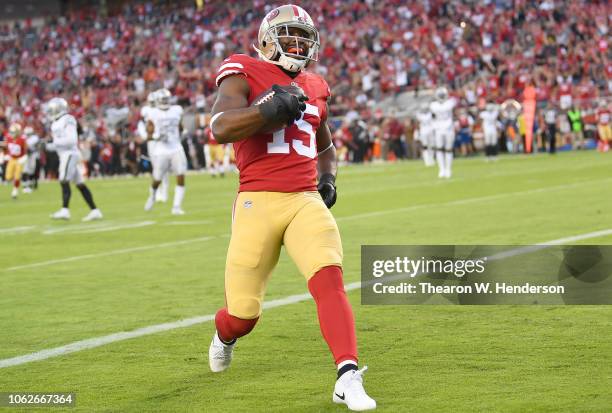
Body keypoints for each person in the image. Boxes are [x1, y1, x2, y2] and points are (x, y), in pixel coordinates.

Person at [207, 5, 376, 411]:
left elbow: (325, 142)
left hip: (304, 199)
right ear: (267, 38)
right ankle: (224, 334)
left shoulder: (315, 84)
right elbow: (219, 127)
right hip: (256, 201)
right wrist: (264, 110)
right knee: (243, 315)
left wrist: (328, 178)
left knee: (329, 278)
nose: (298, 44)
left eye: (304, 37)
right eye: (290, 35)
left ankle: (347, 375)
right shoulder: (243, 68)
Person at [46, 97, 102, 221]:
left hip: (69, 153)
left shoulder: (67, 119)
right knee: (80, 184)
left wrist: (53, 144)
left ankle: (65, 210)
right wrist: (48, 145)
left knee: (64, 180)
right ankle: (95, 210)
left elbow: (72, 140)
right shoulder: (56, 122)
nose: (49, 113)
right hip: (65, 154)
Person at [144, 89, 187, 215]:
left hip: (176, 148)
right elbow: (149, 135)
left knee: (181, 176)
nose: (165, 102)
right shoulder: (153, 113)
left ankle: (176, 206)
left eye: (166, 99)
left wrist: (182, 133)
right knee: (157, 178)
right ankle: (152, 197)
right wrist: (157, 136)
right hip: (161, 150)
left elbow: (180, 127)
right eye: (163, 100)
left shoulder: (177, 110)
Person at [430, 86, 456, 178]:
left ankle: (448, 169)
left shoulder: (448, 103)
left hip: (448, 128)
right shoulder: (435, 105)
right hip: (439, 129)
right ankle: (442, 169)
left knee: (448, 149)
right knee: (440, 149)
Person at [2, 123, 27, 198]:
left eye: (13, 132)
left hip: (19, 159)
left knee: (17, 176)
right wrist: (5, 155)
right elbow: (5, 147)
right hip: (11, 159)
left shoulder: (22, 140)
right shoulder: (8, 138)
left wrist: (24, 157)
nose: (12, 134)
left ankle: (15, 190)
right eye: (11, 132)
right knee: (8, 177)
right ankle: (14, 184)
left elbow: (25, 150)